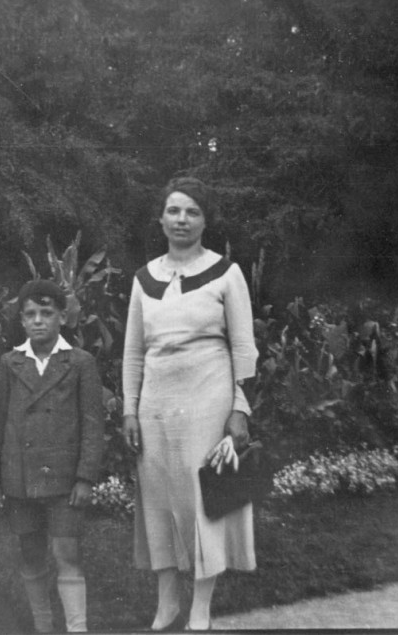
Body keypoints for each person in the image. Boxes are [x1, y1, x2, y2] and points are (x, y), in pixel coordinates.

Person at [121, 176, 259, 631]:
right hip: (156, 405)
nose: (182, 220)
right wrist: (129, 408)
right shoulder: (144, 279)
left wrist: (239, 408)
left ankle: (200, 606)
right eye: (174, 211)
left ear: (205, 220)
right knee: (158, 500)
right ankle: (167, 603)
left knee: (204, 498)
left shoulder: (226, 273)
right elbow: (134, 352)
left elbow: (243, 348)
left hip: (208, 398)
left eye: (193, 212)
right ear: (160, 218)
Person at [0, 279, 105, 633]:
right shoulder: (9, 364)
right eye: (31, 314)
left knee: (67, 553)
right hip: (20, 478)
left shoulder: (80, 363)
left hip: (65, 479)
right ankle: (43, 626)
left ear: (62, 317)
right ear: (21, 320)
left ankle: (77, 627)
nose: (39, 321)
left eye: (47, 313)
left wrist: (85, 477)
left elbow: (93, 426)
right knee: (31, 554)